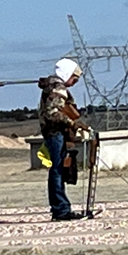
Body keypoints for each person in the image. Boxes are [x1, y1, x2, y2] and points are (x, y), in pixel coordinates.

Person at [38, 58, 89, 221]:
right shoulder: (57, 88)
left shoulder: (51, 87)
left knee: (59, 169)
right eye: (74, 78)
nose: (75, 82)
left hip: (55, 133)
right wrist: (72, 123)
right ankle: (61, 209)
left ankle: (60, 207)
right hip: (56, 133)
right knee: (58, 170)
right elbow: (52, 113)